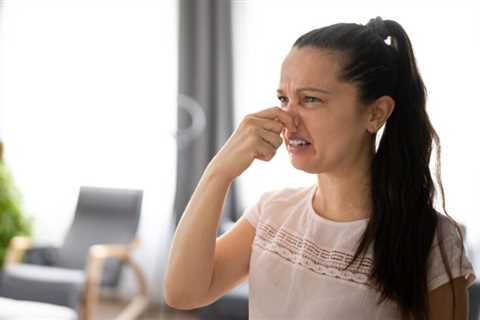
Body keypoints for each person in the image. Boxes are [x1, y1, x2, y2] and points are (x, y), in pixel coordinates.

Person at [163, 16, 476, 320]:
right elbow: (183, 293)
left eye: (310, 99)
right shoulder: (272, 212)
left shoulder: (432, 241)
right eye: (283, 99)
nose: (288, 118)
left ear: (376, 114)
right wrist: (219, 171)